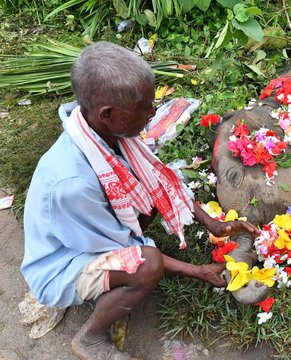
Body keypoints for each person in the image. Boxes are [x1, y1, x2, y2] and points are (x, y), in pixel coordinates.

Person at [21, 41, 260, 360]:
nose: (152, 114)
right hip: (63, 262)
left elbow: (160, 181)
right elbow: (122, 251)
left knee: (157, 182)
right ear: (108, 114)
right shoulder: (72, 184)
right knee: (147, 264)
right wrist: (198, 271)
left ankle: (115, 278)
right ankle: (90, 339)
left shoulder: (102, 131)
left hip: (91, 228)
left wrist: (215, 224)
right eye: (145, 107)